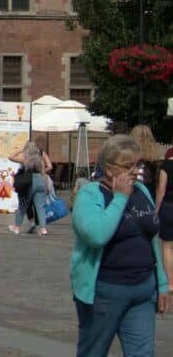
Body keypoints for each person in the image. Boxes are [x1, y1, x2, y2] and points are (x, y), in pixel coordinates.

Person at [71, 134, 169, 355]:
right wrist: (120, 198)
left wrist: (162, 283)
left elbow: (152, 236)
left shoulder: (142, 190)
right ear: (109, 168)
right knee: (93, 351)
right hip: (105, 290)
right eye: (128, 166)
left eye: (138, 164)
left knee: (143, 353)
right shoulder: (90, 195)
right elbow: (96, 235)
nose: (135, 171)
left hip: (143, 288)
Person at [8, 141, 50, 237]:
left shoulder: (25, 159)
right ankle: (43, 229)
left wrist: (20, 150)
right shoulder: (40, 159)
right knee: (40, 207)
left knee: (23, 204)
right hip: (40, 181)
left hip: (29, 181)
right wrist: (46, 186)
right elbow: (43, 173)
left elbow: (10, 157)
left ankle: (17, 227)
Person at [156, 147, 173, 289]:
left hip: (169, 207)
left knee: (167, 246)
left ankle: (171, 283)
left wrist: (156, 210)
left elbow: (161, 190)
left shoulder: (166, 166)